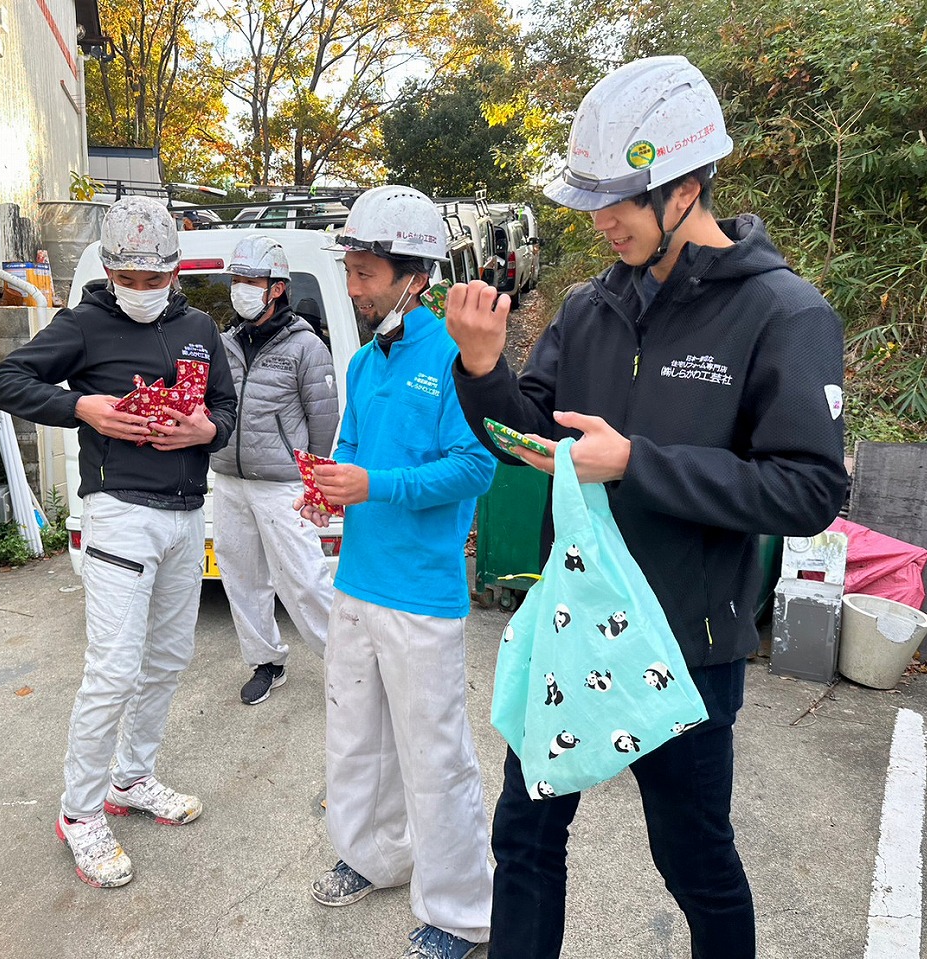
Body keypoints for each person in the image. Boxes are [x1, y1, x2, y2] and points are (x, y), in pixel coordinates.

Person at [446, 56, 848, 958]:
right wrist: (482, 366)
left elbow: (811, 489)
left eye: (619, 201)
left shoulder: (783, 313)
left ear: (687, 187)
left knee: (693, 859)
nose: (601, 220)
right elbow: (528, 434)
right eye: (591, 200)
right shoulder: (589, 308)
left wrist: (637, 464)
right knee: (525, 837)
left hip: (684, 645)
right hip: (570, 622)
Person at [0, 196, 237, 888]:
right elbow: (3, 379)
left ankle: (132, 777)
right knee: (114, 669)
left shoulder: (199, 328)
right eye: (128, 279)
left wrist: (208, 430)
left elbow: (225, 404)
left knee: (169, 656)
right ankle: (80, 811)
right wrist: (80, 407)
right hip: (121, 511)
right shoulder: (85, 323)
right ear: (109, 270)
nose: (142, 291)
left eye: (155, 279)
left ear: (175, 271)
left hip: (187, 511)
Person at [300, 185, 497, 959]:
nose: (353, 288)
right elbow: (351, 450)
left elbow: (477, 466)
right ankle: (375, 854)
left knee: (435, 756)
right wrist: (329, 491)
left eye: (365, 273)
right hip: (357, 580)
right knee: (355, 739)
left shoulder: (454, 360)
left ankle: (461, 911)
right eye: (349, 271)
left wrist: (373, 486)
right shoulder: (362, 361)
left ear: (415, 276)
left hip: (421, 592)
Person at [210, 235, 339, 705]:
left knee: (304, 580)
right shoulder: (224, 343)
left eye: (251, 280)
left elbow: (324, 422)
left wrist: (316, 485)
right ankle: (266, 660)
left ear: (277, 288)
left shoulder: (307, 347)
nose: (240, 288)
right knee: (241, 578)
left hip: (283, 484)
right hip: (229, 479)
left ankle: (347, 665)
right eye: (237, 279)